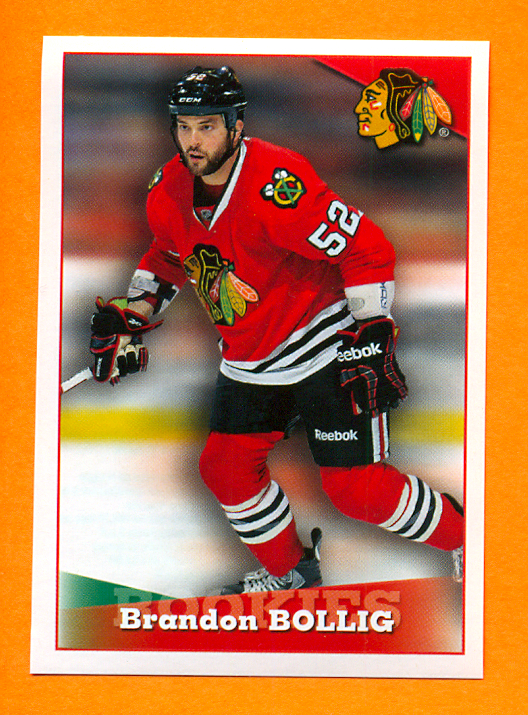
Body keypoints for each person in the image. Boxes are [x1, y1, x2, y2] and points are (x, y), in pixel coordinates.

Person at [89, 66, 464, 594]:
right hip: (250, 359)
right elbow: (170, 253)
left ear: (236, 125)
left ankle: (471, 539)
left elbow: (366, 247)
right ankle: (292, 574)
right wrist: (134, 313)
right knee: (225, 469)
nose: (193, 141)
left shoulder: (276, 185)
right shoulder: (166, 190)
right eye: (184, 127)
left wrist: (374, 328)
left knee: (356, 491)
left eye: (207, 126)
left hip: (324, 344)